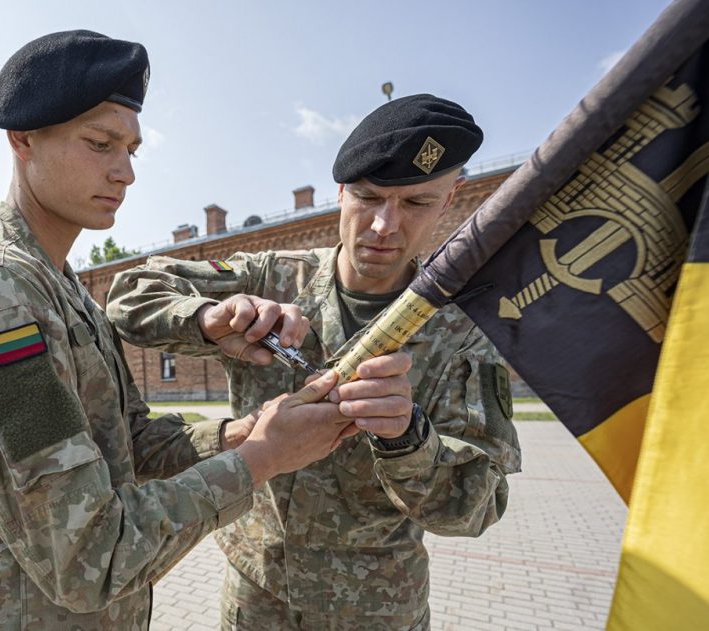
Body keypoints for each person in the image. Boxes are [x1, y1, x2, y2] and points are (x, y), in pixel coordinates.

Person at [0, 30, 385, 628]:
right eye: (100, 144)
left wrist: (244, 431)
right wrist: (260, 459)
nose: (124, 172)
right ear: (23, 139)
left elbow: (127, 447)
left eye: (132, 149)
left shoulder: (55, 284)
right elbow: (89, 557)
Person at [108, 95, 523, 629]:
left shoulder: (461, 330)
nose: (383, 227)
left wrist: (408, 439)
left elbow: (477, 505)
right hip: (256, 595)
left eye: (417, 204)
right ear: (341, 193)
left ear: (450, 201)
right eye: (369, 198)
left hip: (375, 608)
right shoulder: (271, 277)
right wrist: (212, 317)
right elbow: (129, 293)